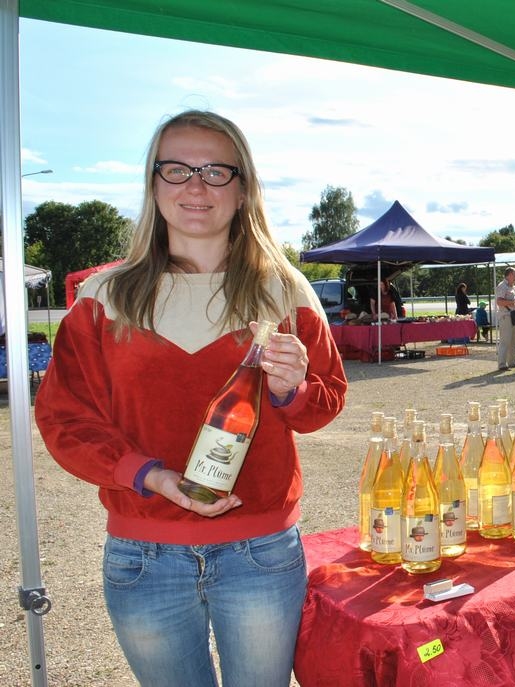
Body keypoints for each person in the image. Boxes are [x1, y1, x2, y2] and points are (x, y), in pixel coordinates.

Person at [33, 110, 349, 687]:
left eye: (215, 171)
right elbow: (64, 418)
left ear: (243, 187)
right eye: (176, 170)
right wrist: (148, 476)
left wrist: (290, 390)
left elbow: (326, 400)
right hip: (143, 554)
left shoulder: (284, 289)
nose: (196, 186)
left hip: (261, 551)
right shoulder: (106, 297)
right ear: (153, 184)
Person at [494, 266, 515, 370]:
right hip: (506, 316)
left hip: (514, 315)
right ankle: (502, 364)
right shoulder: (502, 286)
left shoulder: (513, 287)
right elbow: (499, 302)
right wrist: (514, 302)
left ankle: (512, 361)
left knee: (514, 340)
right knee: (505, 340)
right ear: (509, 275)